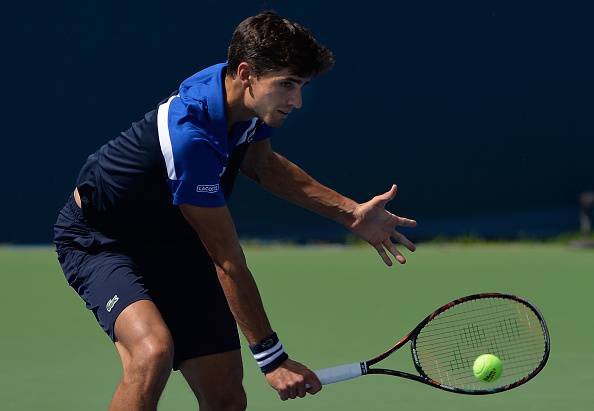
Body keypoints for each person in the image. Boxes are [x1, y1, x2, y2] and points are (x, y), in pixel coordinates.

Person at [53, 10, 416, 411]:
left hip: (173, 239)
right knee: (153, 352)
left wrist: (350, 213)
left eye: (302, 86)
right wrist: (271, 357)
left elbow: (261, 164)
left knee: (225, 396)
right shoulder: (191, 138)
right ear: (246, 73)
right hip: (103, 241)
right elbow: (226, 259)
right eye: (287, 85)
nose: (296, 101)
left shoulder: (244, 99)